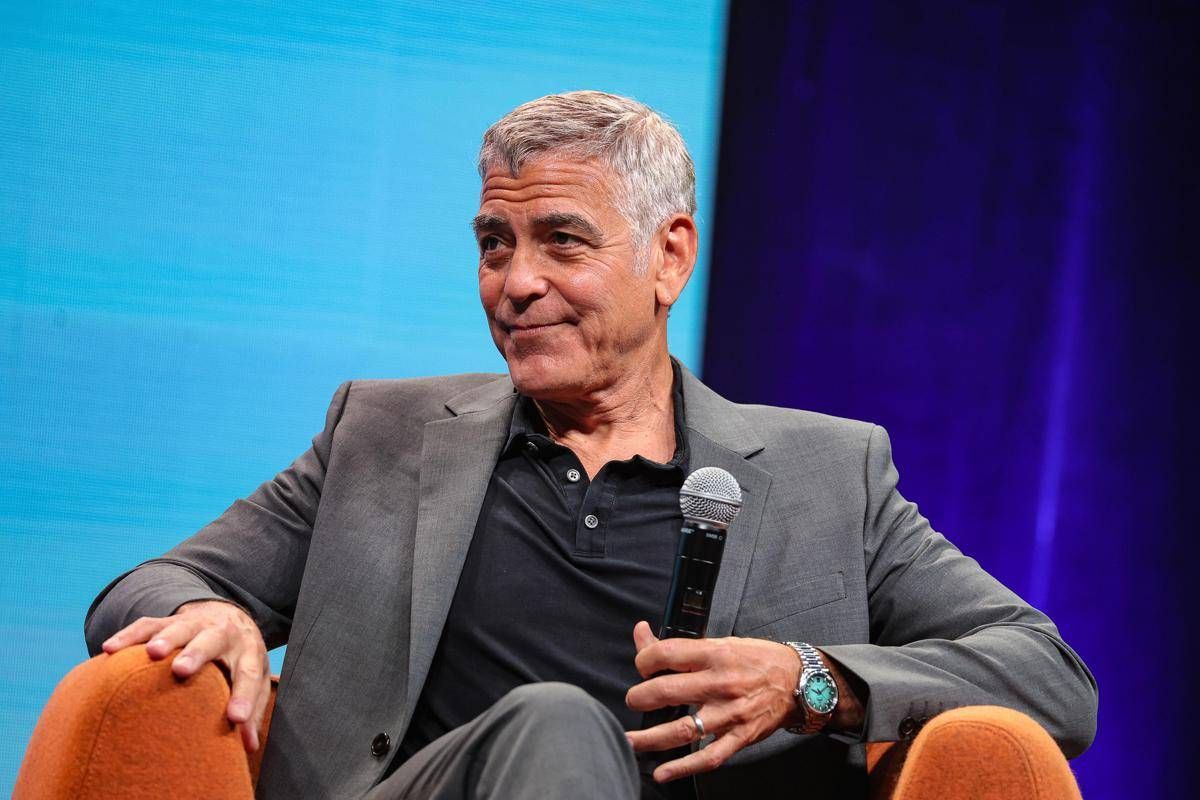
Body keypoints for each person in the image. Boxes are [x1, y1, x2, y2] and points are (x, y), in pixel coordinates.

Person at [85, 91, 1097, 799]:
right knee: (555, 719)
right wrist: (206, 610)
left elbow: (1051, 676)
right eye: (494, 244)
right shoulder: (383, 437)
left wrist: (809, 681)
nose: (515, 281)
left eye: (561, 240)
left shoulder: (827, 475)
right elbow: (144, 588)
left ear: (669, 257)